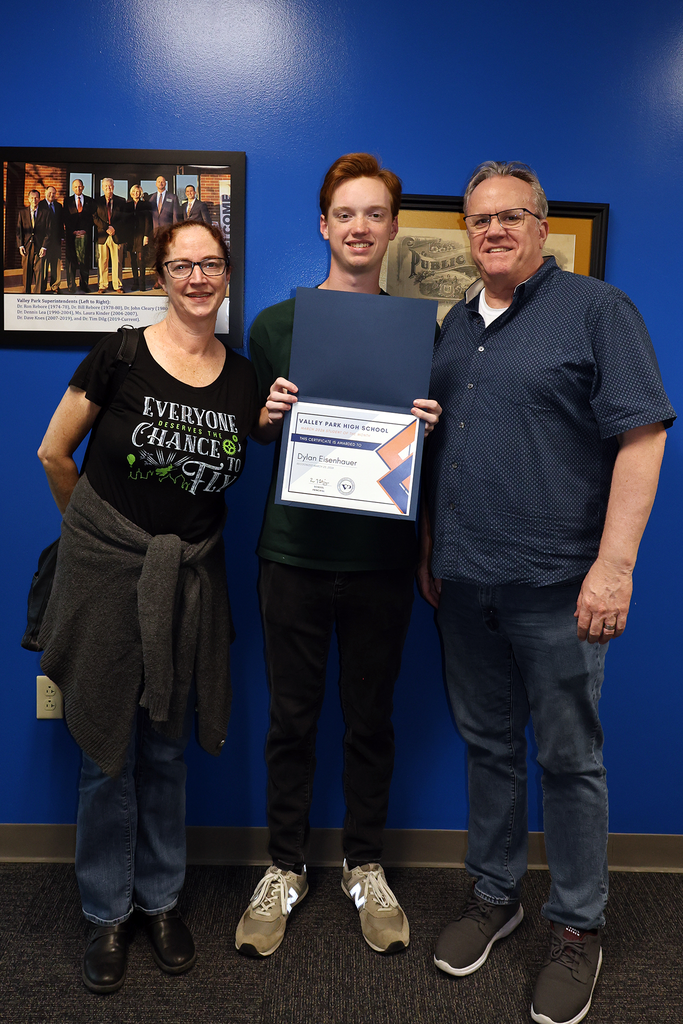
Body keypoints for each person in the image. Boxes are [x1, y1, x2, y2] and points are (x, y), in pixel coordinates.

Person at [418, 161, 675, 1024]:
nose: (492, 230)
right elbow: (441, 450)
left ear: (541, 225)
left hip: (559, 588)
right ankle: (494, 896)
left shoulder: (598, 311)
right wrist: (430, 546)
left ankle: (576, 927)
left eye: (510, 216)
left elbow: (641, 437)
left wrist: (615, 567)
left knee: (568, 761)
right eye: (479, 219)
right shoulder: (453, 327)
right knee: (487, 747)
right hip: (464, 584)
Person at [37, 220, 260, 994]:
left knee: (166, 750)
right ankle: (105, 913)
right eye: (180, 265)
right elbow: (53, 452)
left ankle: (160, 902)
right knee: (108, 757)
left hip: (190, 580)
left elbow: (312, 435)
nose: (196, 277)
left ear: (226, 276)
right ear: (160, 275)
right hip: (106, 576)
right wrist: (97, 543)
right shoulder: (121, 352)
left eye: (210, 264)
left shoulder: (245, 380)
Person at [235, 153, 441, 959]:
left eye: (375, 214)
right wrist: (269, 413)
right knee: (290, 718)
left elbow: (430, 456)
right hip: (291, 554)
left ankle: (365, 864)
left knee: (370, 720)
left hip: (380, 558)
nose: (359, 227)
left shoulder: (419, 329)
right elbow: (257, 437)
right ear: (324, 226)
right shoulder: (276, 325)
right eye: (345, 214)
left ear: (391, 227)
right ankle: (283, 867)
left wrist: (426, 427)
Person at [93, 178, 127, 293]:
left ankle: (117, 285)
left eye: (110, 186)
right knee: (103, 261)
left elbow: (124, 218)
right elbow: (94, 217)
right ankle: (103, 285)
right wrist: (106, 227)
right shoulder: (97, 201)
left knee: (117, 261)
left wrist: (114, 228)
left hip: (116, 235)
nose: (108, 188)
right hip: (103, 235)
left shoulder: (121, 201)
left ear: (114, 187)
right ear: (102, 187)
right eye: (106, 186)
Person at [64, 179, 95, 293]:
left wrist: (85, 231)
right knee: (71, 262)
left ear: (83, 187)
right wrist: (73, 231)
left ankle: (84, 285)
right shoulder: (67, 201)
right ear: (73, 188)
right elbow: (66, 218)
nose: (78, 188)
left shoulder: (90, 201)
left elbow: (92, 218)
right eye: (76, 187)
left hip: (85, 235)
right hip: (71, 236)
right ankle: (71, 285)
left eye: (80, 186)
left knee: (84, 261)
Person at [36, 185, 64, 292]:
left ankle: (55, 286)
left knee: (56, 264)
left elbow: (61, 223)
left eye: (53, 193)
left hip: (56, 240)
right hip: (43, 241)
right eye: (49, 193)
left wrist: (62, 237)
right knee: (43, 265)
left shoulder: (58, 206)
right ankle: (42, 287)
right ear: (45, 192)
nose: (51, 195)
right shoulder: (40, 205)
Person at [124, 184, 152, 291]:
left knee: (141, 260)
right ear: (131, 193)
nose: (136, 194)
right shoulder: (128, 205)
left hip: (141, 235)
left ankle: (142, 284)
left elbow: (148, 221)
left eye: (138, 192)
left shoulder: (145, 205)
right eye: (134, 192)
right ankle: (135, 282)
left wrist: (146, 235)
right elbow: (125, 222)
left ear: (140, 193)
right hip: (131, 236)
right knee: (133, 260)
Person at [16, 189, 42, 293]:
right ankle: (26, 293)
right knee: (27, 271)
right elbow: (19, 231)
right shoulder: (22, 213)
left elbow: (48, 231)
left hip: (40, 247)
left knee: (39, 272)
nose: (34, 200)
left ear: (39, 199)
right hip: (26, 247)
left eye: (36, 198)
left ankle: (38, 294)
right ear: (28, 199)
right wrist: (20, 246)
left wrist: (44, 247)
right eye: (32, 198)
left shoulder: (44, 213)